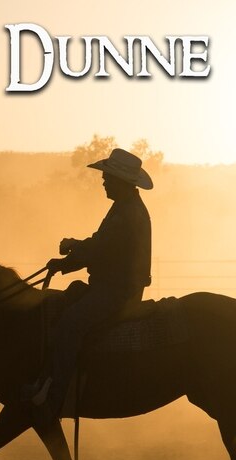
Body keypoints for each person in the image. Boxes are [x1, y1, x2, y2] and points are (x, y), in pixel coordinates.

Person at [29, 147, 153, 422]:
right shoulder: (125, 208)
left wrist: (68, 256)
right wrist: (71, 256)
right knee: (64, 305)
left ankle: (56, 396)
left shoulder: (126, 214)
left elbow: (100, 249)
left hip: (118, 292)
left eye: (108, 177)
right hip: (114, 287)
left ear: (121, 181)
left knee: (71, 323)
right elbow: (101, 246)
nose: (104, 181)